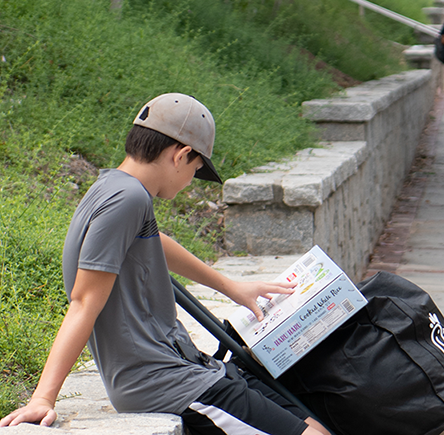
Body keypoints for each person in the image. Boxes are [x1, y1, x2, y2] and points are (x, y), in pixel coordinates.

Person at [0, 94, 330, 435]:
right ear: (181, 155)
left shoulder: (114, 187)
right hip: (164, 384)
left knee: (313, 423)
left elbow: (156, 243)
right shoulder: (127, 199)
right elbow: (84, 301)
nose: (189, 183)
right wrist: (43, 397)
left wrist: (231, 287)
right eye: (195, 171)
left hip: (186, 368)